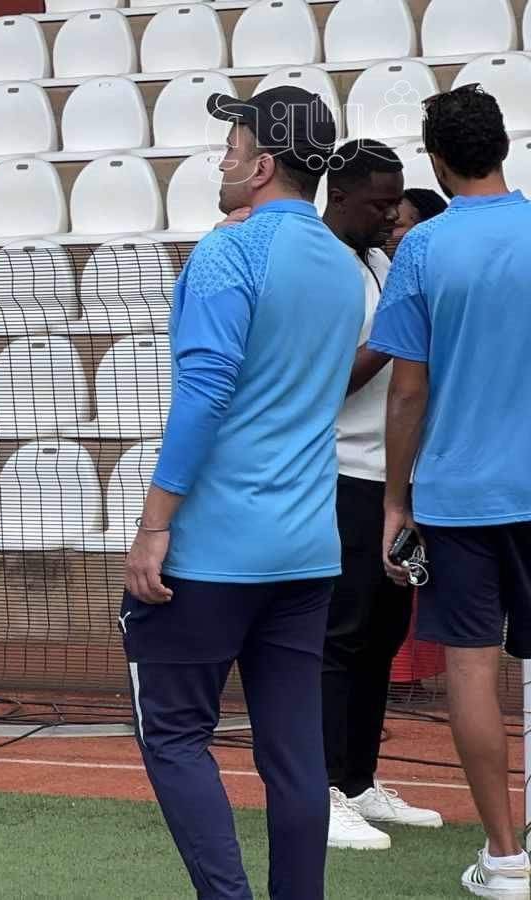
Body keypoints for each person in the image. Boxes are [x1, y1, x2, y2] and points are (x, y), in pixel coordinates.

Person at [120, 85, 364, 900]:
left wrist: (155, 523)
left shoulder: (228, 251)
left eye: (232, 147)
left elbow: (205, 392)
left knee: (174, 735)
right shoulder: (341, 264)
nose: (222, 160)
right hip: (306, 548)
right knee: (295, 756)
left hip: (213, 549)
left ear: (261, 166)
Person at [368, 83, 531, 899]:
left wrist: (395, 500)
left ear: (436, 160)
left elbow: (407, 391)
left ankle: (504, 858)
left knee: (470, 671)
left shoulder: (425, 247)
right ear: (502, 145)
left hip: (458, 493)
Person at [317, 140, 444, 850]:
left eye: (397, 202)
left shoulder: (381, 263)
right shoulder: (322, 269)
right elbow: (323, 382)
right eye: (380, 203)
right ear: (338, 197)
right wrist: (397, 332)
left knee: (381, 636)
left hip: (395, 478)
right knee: (340, 635)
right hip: (340, 475)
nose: (393, 215)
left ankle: (359, 780)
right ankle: (322, 788)